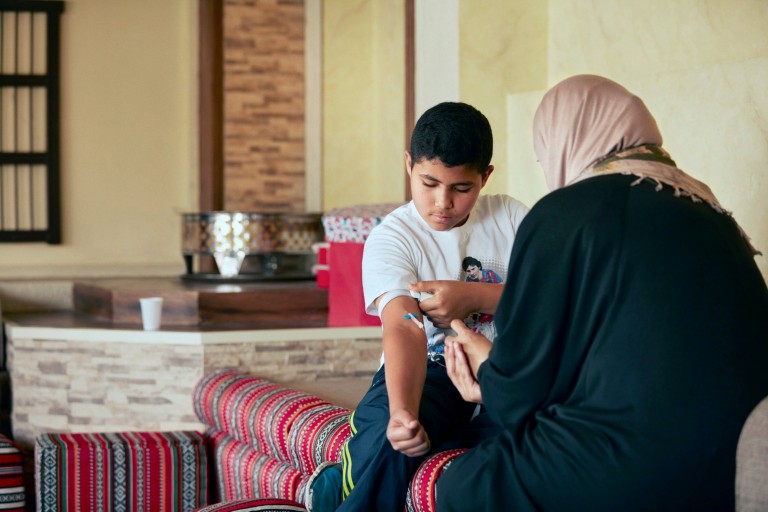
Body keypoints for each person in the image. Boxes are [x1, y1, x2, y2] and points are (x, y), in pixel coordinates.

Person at [436, 74, 768, 511]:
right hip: (742, 458)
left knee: (467, 480)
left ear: (565, 142)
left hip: (645, 465)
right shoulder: (712, 211)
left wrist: (487, 369)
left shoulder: (565, 211)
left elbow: (521, 396)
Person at [305, 102, 529, 511]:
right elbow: (406, 326)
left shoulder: (511, 218)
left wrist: (475, 296)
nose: (442, 202)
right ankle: (346, 487)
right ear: (409, 164)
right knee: (396, 440)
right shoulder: (393, 238)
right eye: (428, 183)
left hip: (504, 371)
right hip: (430, 370)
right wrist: (402, 414)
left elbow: (552, 300)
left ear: (485, 177)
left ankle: (339, 489)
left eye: (461, 188)